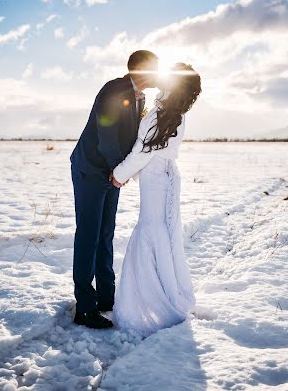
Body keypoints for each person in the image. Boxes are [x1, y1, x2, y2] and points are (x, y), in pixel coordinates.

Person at [110, 62, 202, 337]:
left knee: (152, 231)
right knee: (164, 232)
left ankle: (154, 302)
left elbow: (143, 150)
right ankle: (169, 291)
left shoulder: (162, 113)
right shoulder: (174, 113)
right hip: (165, 175)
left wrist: (119, 174)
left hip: (154, 178)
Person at [70, 50, 159, 329]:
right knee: (89, 235)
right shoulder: (114, 89)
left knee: (106, 232)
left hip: (111, 173)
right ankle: (84, 307)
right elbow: (107, 136)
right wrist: (118, 171)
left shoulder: (139, 96)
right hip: (92, 170)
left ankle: (107, 297)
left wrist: (122, 171)